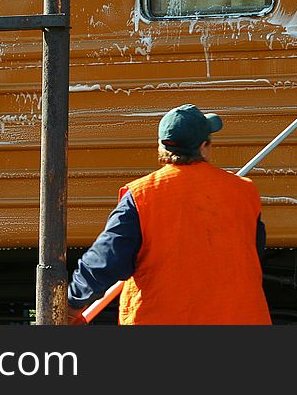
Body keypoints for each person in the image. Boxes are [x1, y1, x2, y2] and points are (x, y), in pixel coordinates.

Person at [66, 103, 271, 325]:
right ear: (203, 147)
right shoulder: (245, 191)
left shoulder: (141, 195)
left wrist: (71, 305)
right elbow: (251, 253)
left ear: (161, 148)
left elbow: (104, 261)